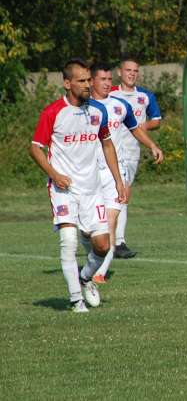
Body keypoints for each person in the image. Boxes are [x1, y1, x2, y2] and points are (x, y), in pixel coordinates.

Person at [29, 59, 127, 312]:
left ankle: (85, 279)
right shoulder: (52, 112)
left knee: (104, 246)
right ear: (67, 83)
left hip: (92, 189)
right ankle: (76, 300)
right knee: (69, 240)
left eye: (88, 80)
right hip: (63, 190)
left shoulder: (97, 111)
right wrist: (54, 174)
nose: (87, 84)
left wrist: (118, 181)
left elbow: (107, 144)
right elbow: (36, 148)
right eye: (82, 80)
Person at [89, 62, 164, 284]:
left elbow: (135, 128)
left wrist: (152, 146)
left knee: (112, 217)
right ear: (92, 81)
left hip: (117, 166)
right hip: (89, 170)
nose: (106, 83)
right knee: (90, 225)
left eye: (108, 80)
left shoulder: (120, 105)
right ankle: (95, 257)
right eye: (102, 79)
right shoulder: (84, 107)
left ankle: (101, 271)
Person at [108, 57, 162, 258]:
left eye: (135, 71)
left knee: (123, 194)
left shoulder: (145, 96)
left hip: (131, 152)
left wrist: (141, 126)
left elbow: (156, 120)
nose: (132, 73)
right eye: (128, 70)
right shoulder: (110, 94)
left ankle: (115, 240)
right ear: (120, 72)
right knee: (118, 193)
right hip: (109, 150)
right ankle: (115, 241)